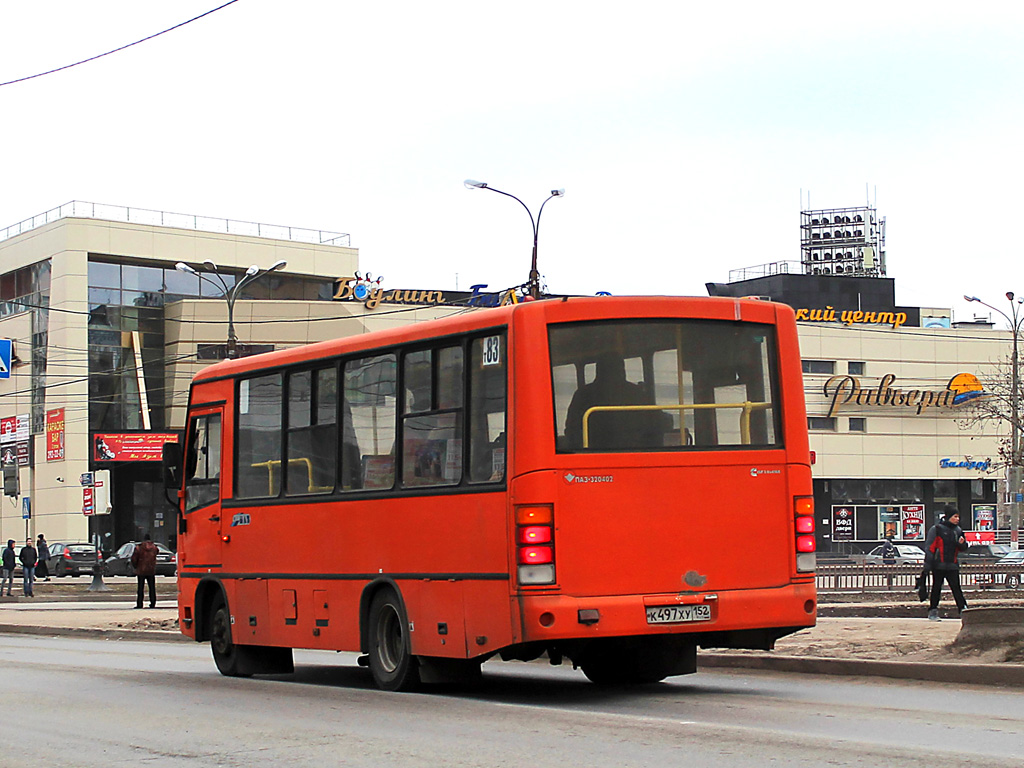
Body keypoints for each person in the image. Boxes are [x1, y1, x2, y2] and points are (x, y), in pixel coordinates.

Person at [564, 356, 660, 450]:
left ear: (598, 371)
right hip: (635, 451)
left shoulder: (583, 394)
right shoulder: (636, 392)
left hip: (593, 453)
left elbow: (571, 430)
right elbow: (656, 422)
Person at [924, 505, 969, 620]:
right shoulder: (937, 529)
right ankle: (933, 610)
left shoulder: (958, 530)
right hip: (939, 564)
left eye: (958, 517)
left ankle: (963, 610)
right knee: (936, 588)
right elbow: (930, 547)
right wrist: (928, 564)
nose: (957, 519)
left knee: (956, 588)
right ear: (948, 517)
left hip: (952, 564)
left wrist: (962, 544)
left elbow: (963, 548)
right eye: (955, 516)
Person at [131, 534, 158, 609]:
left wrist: (136, 567)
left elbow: (134, 559)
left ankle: (140, 603)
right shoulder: (154, 548)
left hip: (141, 570)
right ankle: (153, 603)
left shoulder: (139, 548)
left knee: (140, 588)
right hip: (151, 570)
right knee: (152, 587)